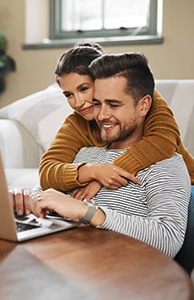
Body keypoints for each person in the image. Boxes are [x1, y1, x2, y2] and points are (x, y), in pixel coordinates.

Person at [29, 53, 191, 258]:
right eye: (97, 103)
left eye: (113, 105)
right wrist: (29, 200)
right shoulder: (82, 150)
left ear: (143, 105)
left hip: (111, 272)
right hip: (58, 259)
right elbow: (44, 186)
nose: (101, 115)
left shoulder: (164, 160)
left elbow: (168, 239)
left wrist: (87, 212)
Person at [39, 43, 194, 195]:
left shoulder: (143, 99)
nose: (78, 103)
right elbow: (48, 171)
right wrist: (94, 171)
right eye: (68, 95)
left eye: (84, 89)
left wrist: (106, 174)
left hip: (186, 186)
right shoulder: (76, 123)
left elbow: (163, 140)